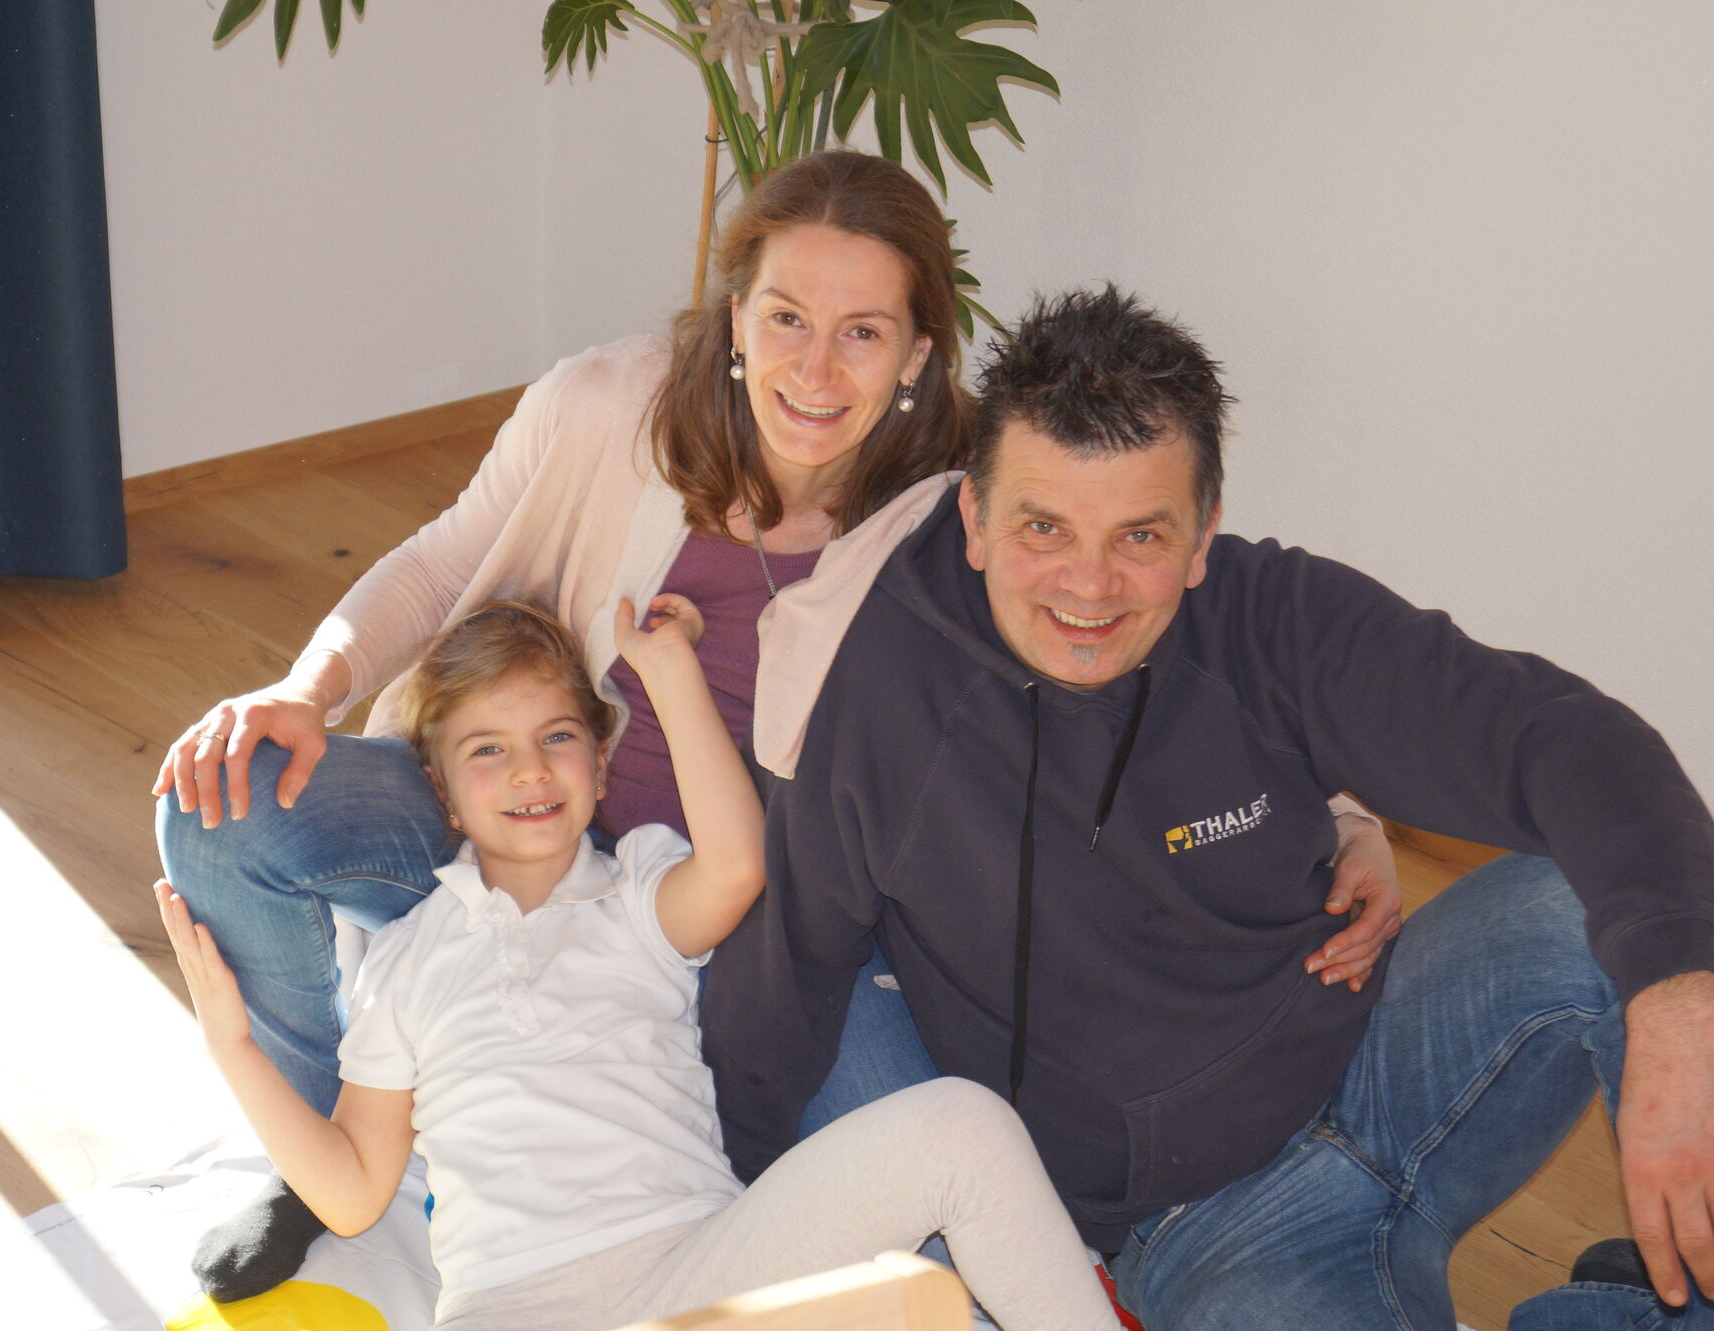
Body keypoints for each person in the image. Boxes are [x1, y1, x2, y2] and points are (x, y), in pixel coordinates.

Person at [155, 148, 1399, 1300]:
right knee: (224, 800)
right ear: (735, 319)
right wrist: (306, 689)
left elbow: (1141, 625)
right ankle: (327, 1147)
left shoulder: (958, 499)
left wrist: (1338, 811)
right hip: (513, 820)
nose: (815, 370)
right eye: (786, 318)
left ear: (916, 353)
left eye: (862, 332)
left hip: (768, 923)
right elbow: (441, 561)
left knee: (961, 1219)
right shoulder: (605, 406)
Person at [700, 285, 1714, 1330]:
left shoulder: (1269, 617)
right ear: (975, 521)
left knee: (1615, 911)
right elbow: (782, 985)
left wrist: (1681, 1003)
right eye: (1044, 527)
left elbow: (1568, 740)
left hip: (1378, 1055)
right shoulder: (883, 696)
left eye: (1140, 536)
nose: (1088, 586)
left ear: (1201, 536)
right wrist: (740, 1238)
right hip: (1202, 1229)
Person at [157, 599, 1121, 1331]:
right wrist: (234, 1047)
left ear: (601, 765)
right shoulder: (404, 959)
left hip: (699, 1269)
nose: (530, 769)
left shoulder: (637, 888)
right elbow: (355, 1189)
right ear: (442, 793)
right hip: (510, 1305)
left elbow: (737, 865)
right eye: (488, 750)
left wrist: (669, 670)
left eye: (558, 737)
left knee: (960, 1124)